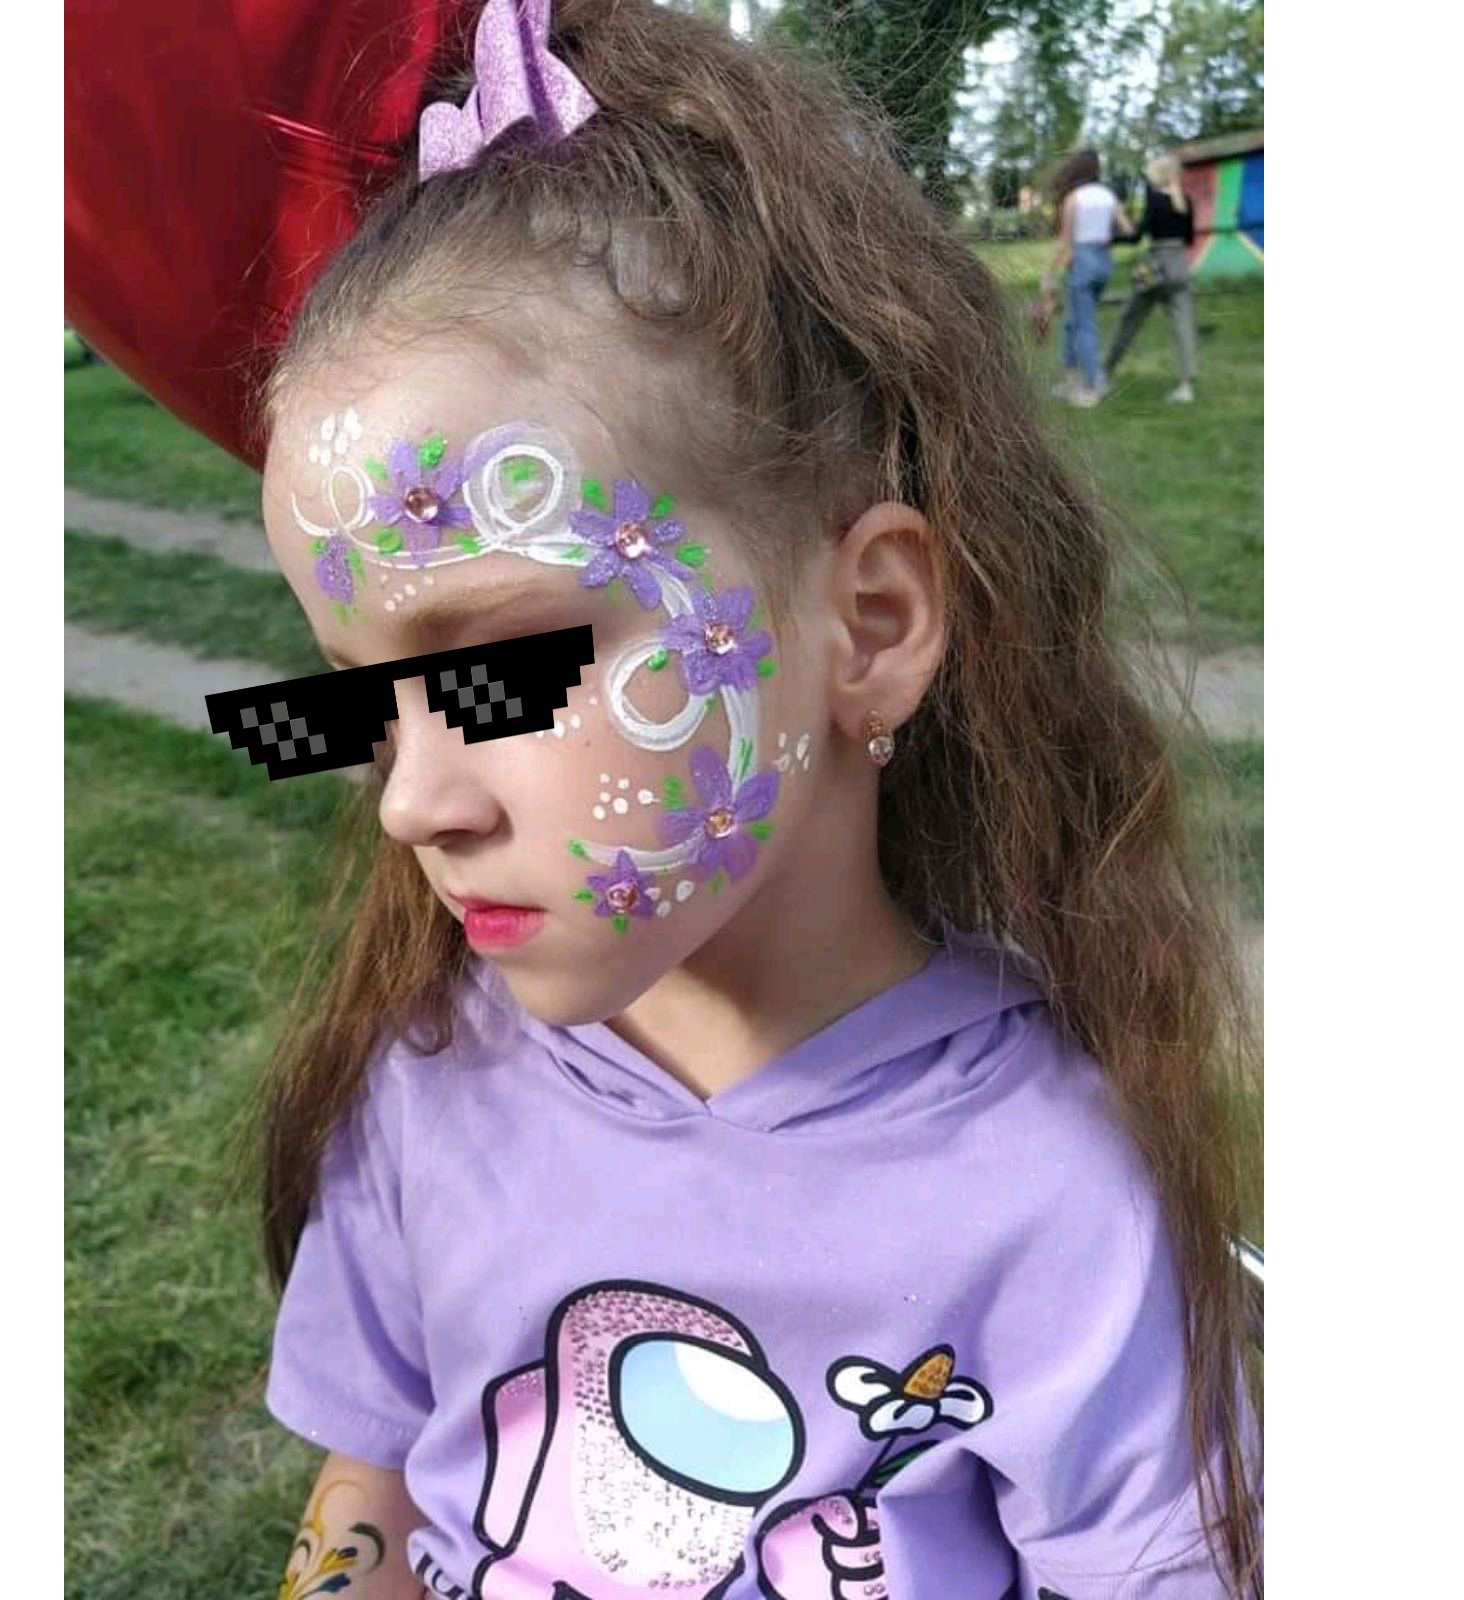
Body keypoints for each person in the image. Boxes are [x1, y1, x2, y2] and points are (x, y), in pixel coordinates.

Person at [238, 3, 1261, 1597]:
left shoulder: (1055, 1199)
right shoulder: (430, 1090)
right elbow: (369, 1474)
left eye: (505, 666)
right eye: (369, 693)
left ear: (871, 625)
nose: (411, 800)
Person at [1040, 149, 1134, 408]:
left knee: (1084, 325)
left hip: (1082, 261)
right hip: (1103, 262)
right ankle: (1071, 379)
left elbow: (1065, 241)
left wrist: (1047, 273)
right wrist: (1106, 236)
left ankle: (1094, 386)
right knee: (1072, 322)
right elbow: (1128, 229)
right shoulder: (1108, 195)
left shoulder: (1074, 198)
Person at [1105, 153, 1200, 403]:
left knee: (1130, 318)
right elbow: (1190, 239)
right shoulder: (1186, 201)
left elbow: (1136, 237)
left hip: (1155, 265)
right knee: (1183, 324)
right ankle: (1186, 386)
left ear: (1157, 175)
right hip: (1180, 265)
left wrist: (1111, 238)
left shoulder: (1155, 200)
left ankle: (1104, 371)